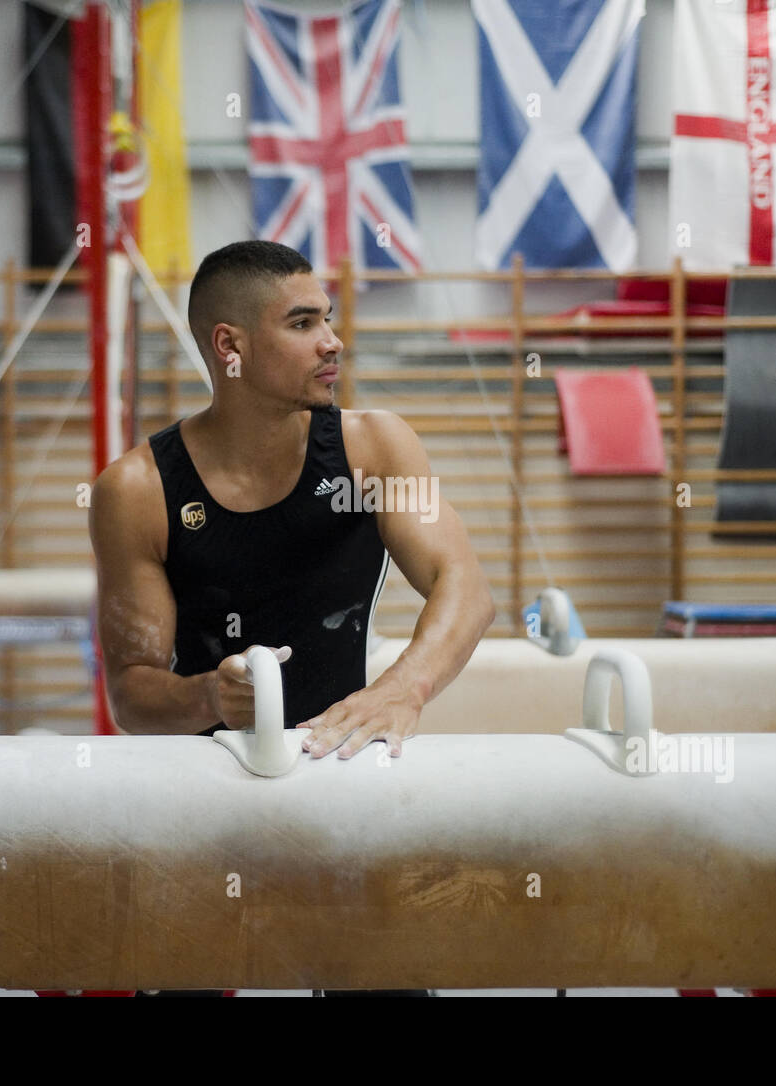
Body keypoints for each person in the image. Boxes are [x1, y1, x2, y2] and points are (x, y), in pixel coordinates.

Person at [87, 240, 495, 996]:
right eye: (303, 323)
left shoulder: (373, 449)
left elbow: (463, 586)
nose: (332, 341)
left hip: (344, 779)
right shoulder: (138, 491)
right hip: (206, 799)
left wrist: (401, 690)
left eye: (329, 319)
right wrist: (210, 695)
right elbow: (132, 693)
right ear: (231, 347)